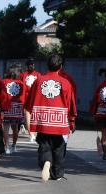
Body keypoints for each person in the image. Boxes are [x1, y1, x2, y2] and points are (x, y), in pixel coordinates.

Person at [25, 54, 77, 182]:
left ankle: (46, 162)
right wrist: (72, 121)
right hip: (59, 121)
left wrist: (29, 123)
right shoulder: (66, 83)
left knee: (44, 144)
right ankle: (56, 173)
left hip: (42, 120)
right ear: (61, 67)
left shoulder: (39, 81)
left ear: (47, 65)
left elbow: (29, 104)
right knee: (59, 148)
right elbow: (71, 105)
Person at [89, 66, 106, 160]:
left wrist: (93, 112)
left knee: (105, 134)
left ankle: (105, 153)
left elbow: (95, 100)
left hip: (102, 114)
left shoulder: (100, 86)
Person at [2, 64, 25, 154]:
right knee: (15, 128)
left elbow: (2, 96)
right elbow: (23, 98)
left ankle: (6, 146)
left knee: (6, 128)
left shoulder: (4, 82)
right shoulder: (21, 83)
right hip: (17, 107)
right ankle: (14, 145)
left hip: (7, 107)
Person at [21, 58, 41, 142]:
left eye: (32, 65)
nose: (31, 66)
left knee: (31, 115)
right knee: (28, 116)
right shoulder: (24, 75)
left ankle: (32, 133)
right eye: (30, 65)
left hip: (33, 97)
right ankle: (31, 133)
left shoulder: (38, 75)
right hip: (27, 97)